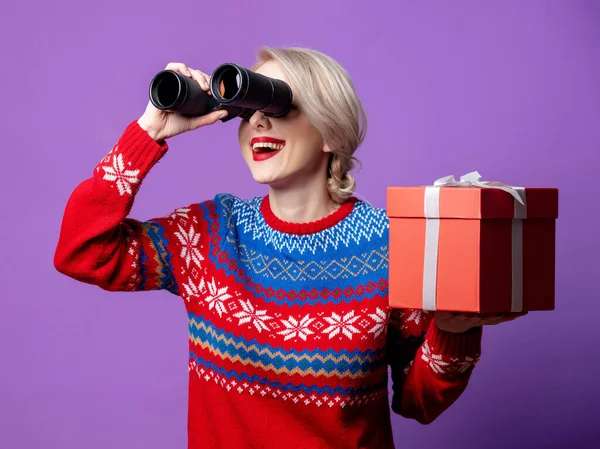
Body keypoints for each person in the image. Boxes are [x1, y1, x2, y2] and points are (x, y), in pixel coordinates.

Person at [54, 46, 526, 449]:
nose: (258, 117)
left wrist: (453, 330)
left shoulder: (395, 245)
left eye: (279, 105)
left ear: (332, 134)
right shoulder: (208, 234)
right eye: (247, 107)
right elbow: (82, 252)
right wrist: (147, 131)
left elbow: (417, 401)